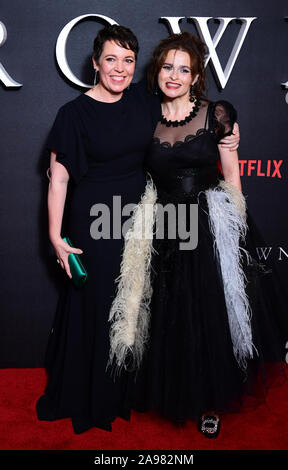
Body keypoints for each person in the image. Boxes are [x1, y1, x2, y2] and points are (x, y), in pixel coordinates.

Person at [36, 25, 239, 434]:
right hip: (95, 219)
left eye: (128, 60)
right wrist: (57, 236)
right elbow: (57, 178)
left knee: (133, 305)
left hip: (143, 219)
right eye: (110, 59)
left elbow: (185, 108)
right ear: (94, 63)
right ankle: (94, 394)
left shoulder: (145, 102)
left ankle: (126, 390)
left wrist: (227, 132)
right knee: (97, 305)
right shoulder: (72, 114)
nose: (119, 68)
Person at [108, 32, 287, 439]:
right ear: (157, 71)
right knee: (168, 313)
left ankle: (209, 398)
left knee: (208, 313)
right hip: (163, 226)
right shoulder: (142, 115)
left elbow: (233, 175)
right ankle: (170, 390)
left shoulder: (217, 114)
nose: (174, 76)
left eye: (184, 69)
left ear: (195, 77)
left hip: (209, 226)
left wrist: (239, 231)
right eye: (168, 67)